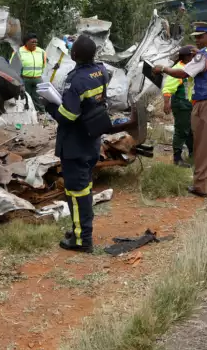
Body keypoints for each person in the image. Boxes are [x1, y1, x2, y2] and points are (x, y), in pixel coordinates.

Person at [45, 35, 133, 252]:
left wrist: (50, 106)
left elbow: (68, 115)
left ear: (74, 55)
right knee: (84, 188)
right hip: (91, 139)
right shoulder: (101, 71)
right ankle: (79, 229)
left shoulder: (77, 80)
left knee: (77, 192)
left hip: (75, 143)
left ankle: (82, 239)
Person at [153, 22, 207, 198]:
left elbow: (183, 73)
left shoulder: (204, 55)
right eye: (196, 37)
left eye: (200, 37)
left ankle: (200, 186)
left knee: (203, 145)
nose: (196, 40)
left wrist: (163, 68)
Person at [162, 45, 196, 167]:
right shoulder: (178, 69)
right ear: (186, 57)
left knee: (190, 130)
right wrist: (166, 103)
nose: (195, 58)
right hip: (181, 104)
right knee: (181, 130)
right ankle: (177, 158)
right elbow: (168, 88)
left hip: (189, 104)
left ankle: (193, 153)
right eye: (192, 56)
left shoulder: (189, 67)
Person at [10, 33, 48, 112]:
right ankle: (27, 113)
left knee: (39, 98)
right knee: (25, 97)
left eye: (36, 42)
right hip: (24, 79)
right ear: (26, 42)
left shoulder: (41, 52)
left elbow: (44, 65)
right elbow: (13, 66)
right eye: (32, 42)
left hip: (38, 79)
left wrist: (38, 74)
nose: (35, 44)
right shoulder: (19, 52)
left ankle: (40, 113)